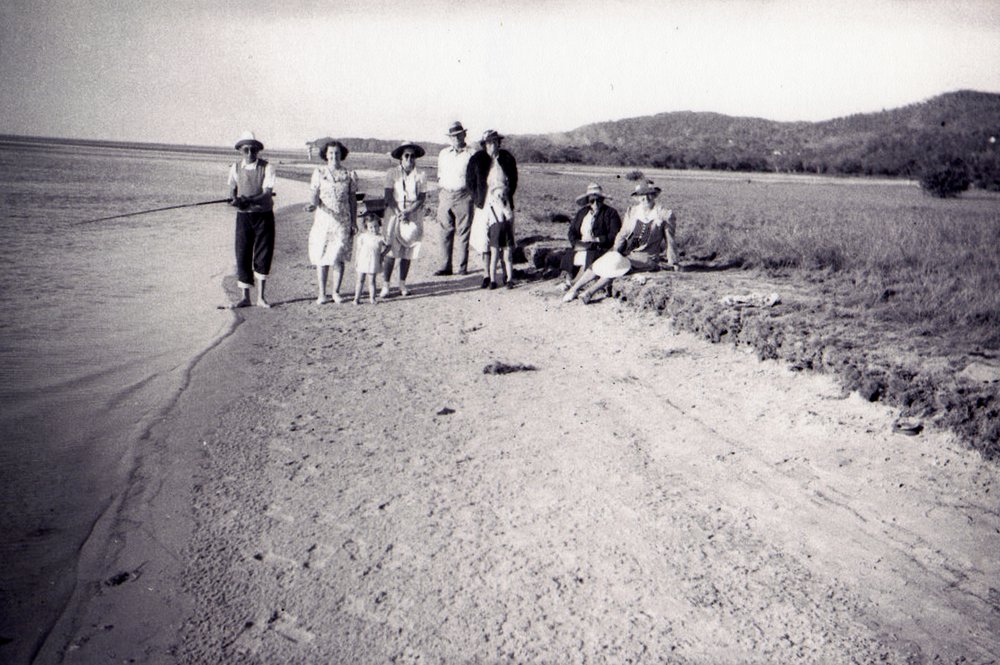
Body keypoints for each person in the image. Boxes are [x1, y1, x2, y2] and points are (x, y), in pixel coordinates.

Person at [563, 180, 680, 304]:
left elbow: (670, 240)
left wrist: (674, 262)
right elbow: (622, 234)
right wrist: (614, 251)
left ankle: (589, 293)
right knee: (605, 261)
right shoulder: (632, 212)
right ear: (637, 197)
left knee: (618, 266)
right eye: (641, 195)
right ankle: (573, 289)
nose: (645, 198)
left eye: (649, 194)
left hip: (647, 258)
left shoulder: (664, 214)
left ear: (655, 195)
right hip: (629, 252)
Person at [304, 138, 358, 304]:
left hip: (343, 220)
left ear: (342, 155)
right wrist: (312, 205)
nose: (334, 156)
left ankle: (336, 292)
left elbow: (352, 199)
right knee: (322, 256)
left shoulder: (349, 174)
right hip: (323, 219)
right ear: (325, 155)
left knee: (338, 256)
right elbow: (314, 195)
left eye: (337, 153)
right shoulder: (319, 173)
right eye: (331, 153)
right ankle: (322, 293)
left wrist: (354, 222)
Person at [227, 131, 276, 308]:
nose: (249, 153)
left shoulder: (267, 167)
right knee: (242, 254)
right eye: (246, 150)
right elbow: (232, 189)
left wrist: (247, 199)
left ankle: (261, 298)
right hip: (243, 217)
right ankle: (245, 297)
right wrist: (234, 200)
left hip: (263, 215)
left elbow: (266, 194)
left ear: (257, 151)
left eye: (253, 150)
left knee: (263, 254)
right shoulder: (235, 167)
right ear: (240, 150)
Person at [467, 129, 518, 289]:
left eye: (495, 141)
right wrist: (477, 198)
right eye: (489, 142)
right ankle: (487, 275)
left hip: (502, 203)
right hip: (484, 203)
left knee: (504, 237)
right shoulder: (477, 159)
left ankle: (506, 274)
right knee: (485, 240)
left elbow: (514, 180)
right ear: (484, 144)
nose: (493, 145)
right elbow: (470, 182)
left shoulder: (507, 158)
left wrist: (506, 195)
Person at [381, 141, 427, 297]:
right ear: (401, 157)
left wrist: (408, 211)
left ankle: (402, 284)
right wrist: (399, 212)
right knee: (391, 250)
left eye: (412, 156)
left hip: (413, 213)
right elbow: (388, 196)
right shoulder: (392, 173)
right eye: (406, 155)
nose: (409, 159)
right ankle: (386, 285)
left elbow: (421, 197)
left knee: (408, 250)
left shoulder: (421, 175)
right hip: (394, 213)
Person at [558, 183, 622, 288]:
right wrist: (576, 243)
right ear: (588, 200)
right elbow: (572, 231)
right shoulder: (582, 212)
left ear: (602, 199)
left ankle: (575, 284)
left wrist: (597, 239)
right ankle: (568, 279)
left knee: (589, 257)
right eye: (592, 200)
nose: (596, 203)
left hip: (599, 247)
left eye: (599, 200)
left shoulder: (611, 213)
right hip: (582, 246)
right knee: (569, 255)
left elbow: (614, 234)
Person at [434, 121, 476, 276]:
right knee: (445, 231)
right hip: (445, 195)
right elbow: (440, 173)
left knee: (463, 232)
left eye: (458, 135)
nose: (456, 139)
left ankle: (461, 267)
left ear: (464, 135)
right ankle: (445, 267)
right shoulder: (443, 154)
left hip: (464, 195)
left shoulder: (472, 153)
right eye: (453, 136)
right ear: (449, 138)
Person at [353, 212, 388, 305]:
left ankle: (372, 298)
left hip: (373, 261)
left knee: (372, 280)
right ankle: (357, 298)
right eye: (371, 227)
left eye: (376, 226)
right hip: (362, 260)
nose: (374, 229)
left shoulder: (380, 237)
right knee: (360, 280)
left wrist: (383, 254)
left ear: (379, 225)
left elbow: (389, 246)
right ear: (366, 227)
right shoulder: (363, 237)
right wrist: (356, 260)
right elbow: (358, 250)